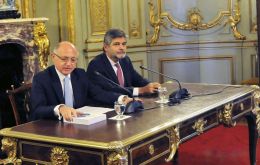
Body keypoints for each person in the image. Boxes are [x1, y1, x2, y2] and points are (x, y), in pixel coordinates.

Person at [30, 41, 132, 121]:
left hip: (80, 123)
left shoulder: (80, 74)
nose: (69, 64)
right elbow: (37, 110)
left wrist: (121, 98)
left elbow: (98, 93)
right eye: (64, 59)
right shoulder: (42, 78)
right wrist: (59, 108)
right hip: (52, 127)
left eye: (73, 60)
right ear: (53, 57)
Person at [87, 28, 160, 97]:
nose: (121, 48)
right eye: (116, 44)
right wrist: (141, 90)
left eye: (124, 44)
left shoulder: (125, 60)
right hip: (108, 106)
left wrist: (151, 85)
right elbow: (112, 89)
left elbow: (137, 79)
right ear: (106, 47)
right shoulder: (96, 65)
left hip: (129, 103)